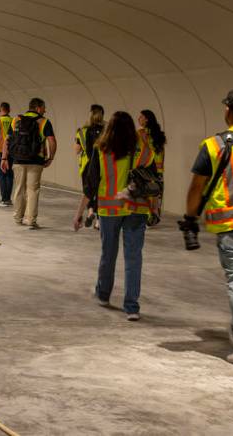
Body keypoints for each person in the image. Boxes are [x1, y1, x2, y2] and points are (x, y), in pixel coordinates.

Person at [179, 88, 233, 365]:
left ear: (228, 110)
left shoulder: (214, 145)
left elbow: (196, 186)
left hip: (231, 225)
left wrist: (191, 216)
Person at [75, 111, 155, 321]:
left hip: (110, 210)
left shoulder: (102, 150)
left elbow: (90, 185)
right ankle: (132, 307)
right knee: (133, 258)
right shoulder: (143, 150)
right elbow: (153, 177)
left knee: (108, 254)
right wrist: (154, 207)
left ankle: (103, 294)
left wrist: (79, 214)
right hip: (137, 209)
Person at [1, 98, 56, 229]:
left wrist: (4, 158)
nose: (45, 110)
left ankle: (18, 217)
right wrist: (50, 157)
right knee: (32, 190)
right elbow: (52, 141)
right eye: (43, 108)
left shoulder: (16, 120)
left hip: (18, 160)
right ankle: (31, 220)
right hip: (36, 161)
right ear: (37, 108)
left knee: (19, 188)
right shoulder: (44, 122)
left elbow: (7, 140)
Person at [75, 105, 105, 229]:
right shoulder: (107, 130)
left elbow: (77, 150)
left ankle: (91, 210)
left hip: (87, 166)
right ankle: (98, 221)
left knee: (88, 191)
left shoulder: (82, 131)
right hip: (103, 166)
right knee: (100, 191)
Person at [137, 109, 167, 227]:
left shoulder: (140, 134)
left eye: (141, 117)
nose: (138, 119)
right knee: (156, 192)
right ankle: (154, 213)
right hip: (158, 168)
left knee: (145, 192)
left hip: (146, 167)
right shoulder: (159, 134)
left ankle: (148, 214)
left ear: (147, 119)